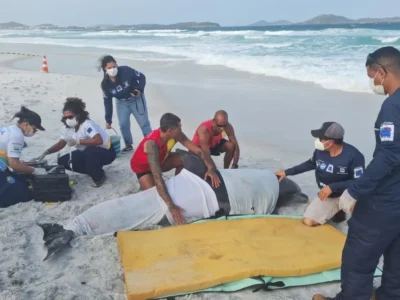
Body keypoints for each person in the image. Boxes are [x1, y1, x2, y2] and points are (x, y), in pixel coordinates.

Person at [313, 47, 400, 300]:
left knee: (359, 257)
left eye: (372, 75)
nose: (372, 82)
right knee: (396, 254)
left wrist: (355, 189)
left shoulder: (393, 107)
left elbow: (390, 155)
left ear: (382, 72)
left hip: (386, 199)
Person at [130, 113, 221, 224]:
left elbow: (198, 151)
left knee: (186, 158)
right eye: (179, 127)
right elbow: (157, 176)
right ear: (170, 131)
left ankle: (178, 185)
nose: (181, 129)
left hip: (162, 159)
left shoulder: (176, 134)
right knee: (155, 199)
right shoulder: (152, 145)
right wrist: (171, 205)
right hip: (144, 169)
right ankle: (145, 185)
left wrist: (210, 167)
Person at [275, 122, 365, 227]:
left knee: (357, 212)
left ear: (330, 142)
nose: (318, 141)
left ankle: (360, 226)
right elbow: (310, 164)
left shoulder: (354, 156)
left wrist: (333, 187)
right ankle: (336, 210)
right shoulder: (320, 152)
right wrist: (287, 172)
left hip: (348, 192)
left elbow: (360, 181)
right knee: (308, 221)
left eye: (321, 138)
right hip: (328, 195)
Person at [33, 98, 116, 187]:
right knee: (63, 161)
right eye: (65, 118)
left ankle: (99, 177)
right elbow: (61, 143)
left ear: (78, 115)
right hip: (86, 153)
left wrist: (78, 141)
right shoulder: (67, 128)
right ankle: (92, 170)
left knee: (90, 151)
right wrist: (46, 152)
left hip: (106, 152)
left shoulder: (87, 124)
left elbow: (98, 140)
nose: (68, 120)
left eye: (70, 117)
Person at [99, 55, 152, 152]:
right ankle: (128, 144)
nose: (113, 69)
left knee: (144, 123)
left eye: (114, 66)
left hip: (136, 99)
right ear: (105, 69)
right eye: (109, 68)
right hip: (121, 103)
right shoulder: (105, 84)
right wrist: (108, 120)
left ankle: (151, 143)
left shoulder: (126, 70)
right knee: (123, 124)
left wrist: (139, 90)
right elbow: (107, 102)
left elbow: (142, 77)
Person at [0, 106, 46, 208]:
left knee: (19, 179)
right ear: (25, 124)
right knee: (26, 194)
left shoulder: (9, 129)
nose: (34, 132)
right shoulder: (17, 136)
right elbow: (14, 165)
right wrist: (35, 170)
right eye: (34, 129)